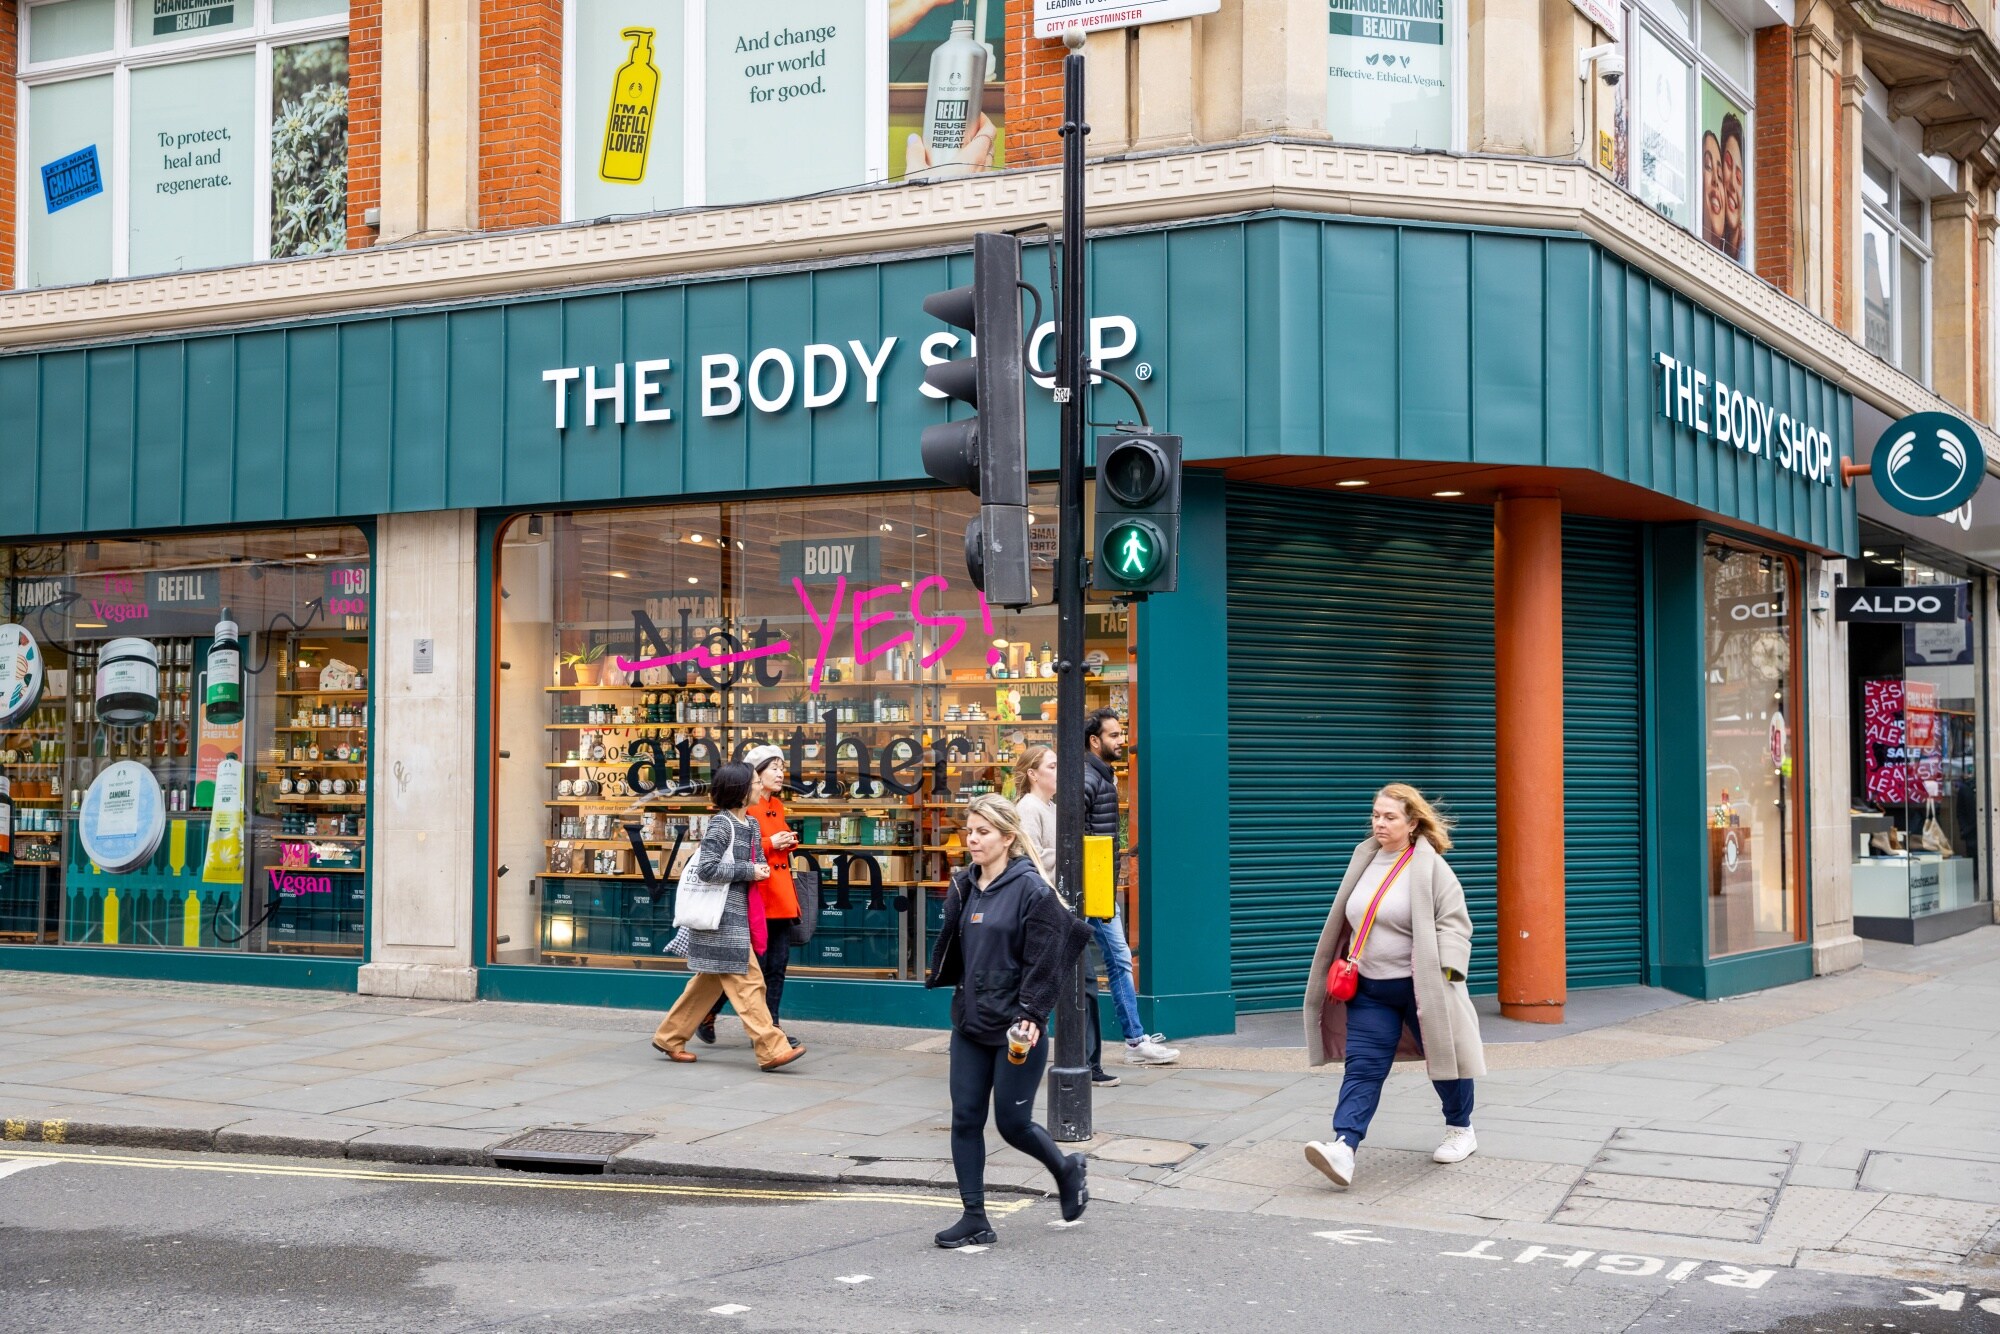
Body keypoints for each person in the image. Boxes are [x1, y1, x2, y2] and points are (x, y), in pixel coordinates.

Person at [924, 794, 1093, 1248]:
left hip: (1017, 1027)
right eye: (970, 830)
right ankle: (975, 1217)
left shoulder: (1031, 889)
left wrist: (1033, 1012)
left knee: (1012, 1124)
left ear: (1007, 838)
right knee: (965, 1118)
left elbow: (1050, 953)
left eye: (983, 832)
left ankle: (1066, 1169)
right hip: (970, 1022)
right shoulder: (965, 885)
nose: (972, 839)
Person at [1301, 784, 1485, 1188]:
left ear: (1412, 823)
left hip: (1420, 988)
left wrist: (1449, 971)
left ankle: (1461, 1128)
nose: (1380, 823)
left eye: (1390, 817)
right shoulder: (1365, 857)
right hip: (1369, 988)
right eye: (1376, 815)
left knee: (1445, 1059)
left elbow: (1454, 921)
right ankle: (1344, 1148)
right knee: (1363, 1067)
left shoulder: (1431, 866)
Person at [650, 763, 806, 1072]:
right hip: (720, 918)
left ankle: (669, 1036)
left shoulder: (750, 824)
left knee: (706, 984)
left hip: (737, 914)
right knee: (750, 982)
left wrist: (761, 866)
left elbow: (757, 862)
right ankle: (771, 1048)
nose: (760, 786)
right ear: (740, 790)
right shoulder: (721, 824)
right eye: (754, 782)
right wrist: (750, 870)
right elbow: (708, 869)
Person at [1081, 709, 1179, 1082]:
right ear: (1095, 741)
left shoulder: (1101, 777)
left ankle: (1135, 1041)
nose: (1122, 741)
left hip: (1101, 887)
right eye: (1115, 735)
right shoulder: (1089, 779)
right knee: (1114, 961)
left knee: (1118, 960)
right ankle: (1134, 1042)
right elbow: (1080, 840)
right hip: (1092, 891)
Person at [697, 745, 801, 1048]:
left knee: (777, 966)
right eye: (773, 768)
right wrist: (772, 843)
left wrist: (787, 841)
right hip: (757, 897)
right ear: (755, 775)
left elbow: (771, 844)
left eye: (782, 767)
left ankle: (773, 1028)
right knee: (745, 970)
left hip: (780, 896)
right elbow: (745, 851)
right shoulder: (745, 808)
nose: (781, 773)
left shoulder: (776, 805)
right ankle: (710, 1013)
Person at [1013, 744, 1057, 878]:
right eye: (1052, 767)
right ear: (1032, 774)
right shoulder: (1028, 807)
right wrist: (1070, 852)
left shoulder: (1052, 806)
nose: (1059, 771)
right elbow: (1033, 857)